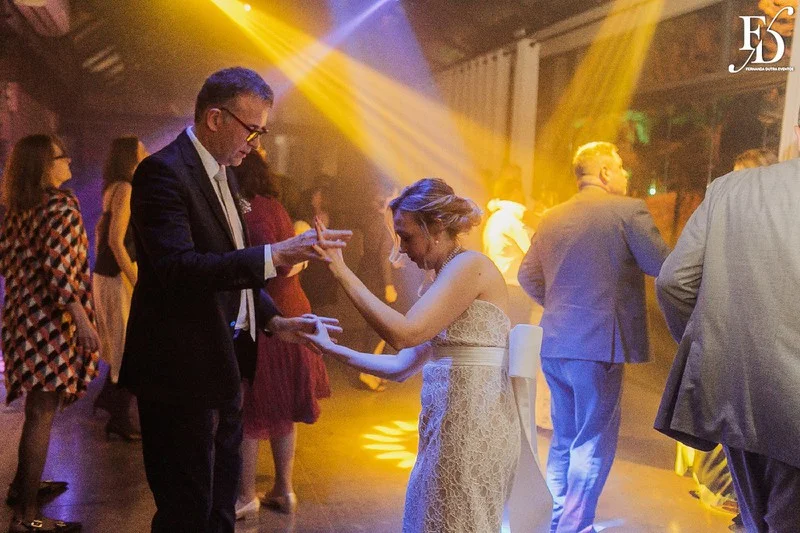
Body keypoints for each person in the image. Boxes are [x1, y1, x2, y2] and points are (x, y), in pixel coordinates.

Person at [118, 67, 349, 533]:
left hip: (226, 363)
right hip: (179, 368)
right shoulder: (162, 172)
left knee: (223, 508)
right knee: (187, 511)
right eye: (253, 129)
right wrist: (273, 254)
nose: (258, 143)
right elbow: (178, 269)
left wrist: (274, 320)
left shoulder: (227, 173)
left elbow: (226, 267)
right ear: (215, 118)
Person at [303, 178, 552, 532]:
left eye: (406, 236)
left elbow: (405, 335)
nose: (402, 249)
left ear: (435, 228)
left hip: (474, 431)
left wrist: (342, 272)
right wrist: (332, 349)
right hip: (446, 429)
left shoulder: (470, 267)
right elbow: (401, 367)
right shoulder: (443, 278)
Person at [518, 141, 669, 533]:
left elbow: (525, 276)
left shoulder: (551, 217)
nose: (625, 175)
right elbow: (661, 265)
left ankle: (553, 523)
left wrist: (558, 306)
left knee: (564, 440)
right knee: (592, 443)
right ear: (603, 172)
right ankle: (574, 528)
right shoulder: (627, 211)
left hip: (554, 344)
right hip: (599, 346)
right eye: (620, 168)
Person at [655, 135, 799, 532]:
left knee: (754, 519)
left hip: (737, 393)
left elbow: (673, 283)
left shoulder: (729, 189)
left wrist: (716, 345)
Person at [1, 134, 100, 533]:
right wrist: (82, 318)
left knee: (35, 411)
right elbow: (61, 271)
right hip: (51, 321)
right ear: (45, 166)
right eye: (62, 156)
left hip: (21, 317)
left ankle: (22, 488)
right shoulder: (60, 204)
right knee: (42, 412)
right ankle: (25, 517)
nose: (70, 159)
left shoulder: (14, 209)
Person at [231, 151, 331, 519]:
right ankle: (283, 489)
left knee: (253, 408)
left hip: (268, 314)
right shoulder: (275, 206)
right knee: (283, 407)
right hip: (295, 308)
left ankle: (244, 497)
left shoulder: (245, 210)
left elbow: (264, 269)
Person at [92, 135, 147, 441]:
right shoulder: (125, 188)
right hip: (118, 276)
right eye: (142, 150)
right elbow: (115, 240)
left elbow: (102, 234)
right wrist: (136, 279)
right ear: (131, 158)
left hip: (107, 274)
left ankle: (108, 398)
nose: (147, 153)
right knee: (128, 343)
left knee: (121, 341)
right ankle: (119, 417)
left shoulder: (113, 187)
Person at [355, 185, 398, 392]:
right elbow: (383, 256)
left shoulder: (371, 220)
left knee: (375, 327)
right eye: (395, 195)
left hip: (368, 276)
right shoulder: (385, 224)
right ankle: (367, 372)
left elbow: (372, 252)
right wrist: (389, 284)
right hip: (378, 281)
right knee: (381, 329)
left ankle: (371, 371)